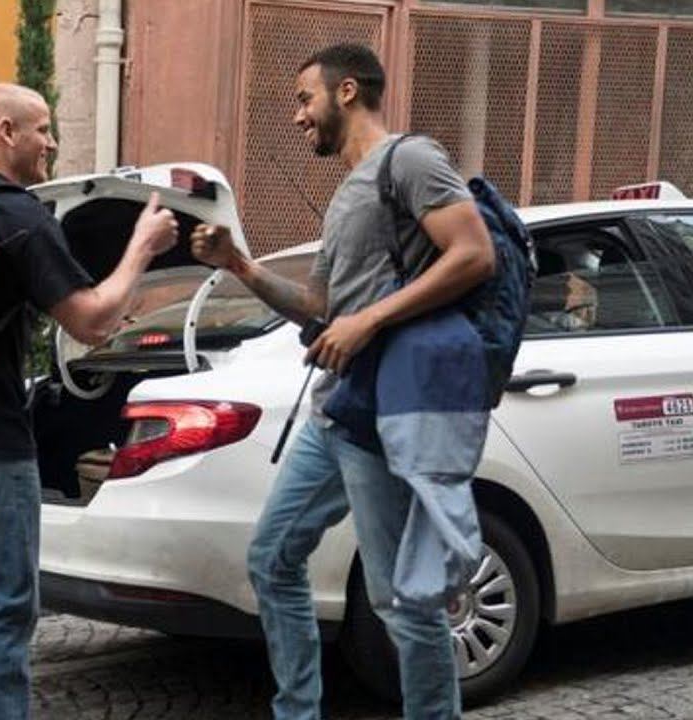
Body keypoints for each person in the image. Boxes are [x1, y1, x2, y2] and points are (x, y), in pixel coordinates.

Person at [191, 44, 494, 719]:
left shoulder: (410, 160)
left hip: (387, 411)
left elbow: (475, 254)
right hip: (337, 411)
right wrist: (239, 264)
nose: (298, 116)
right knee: (272, 558)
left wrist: (369, 321)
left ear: (347, 91)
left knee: (401, 599)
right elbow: (317, 308)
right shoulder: (348, 193)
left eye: (305, 99)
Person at [0, 82, 178, 720]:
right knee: (3, 610)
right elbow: (91, 320)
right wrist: (141, 246)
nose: (51, 142)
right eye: (42, 128)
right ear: (6, 132)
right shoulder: (18, 215)